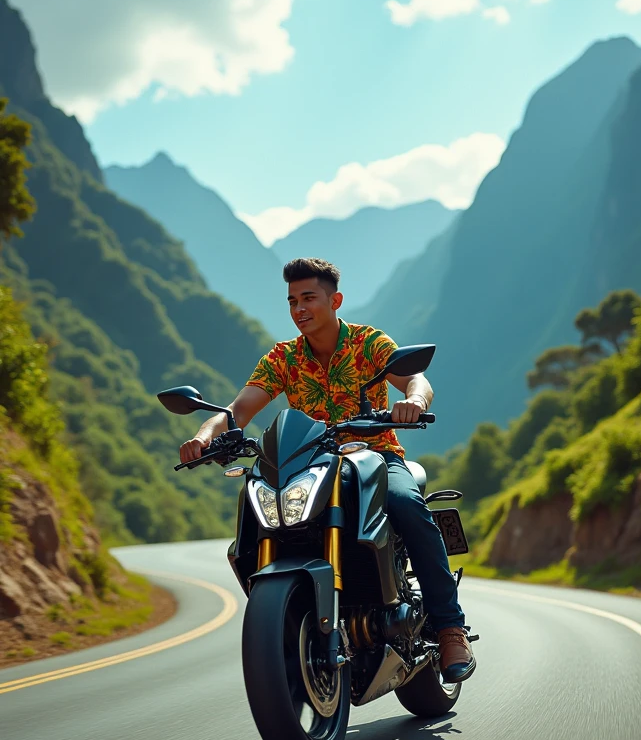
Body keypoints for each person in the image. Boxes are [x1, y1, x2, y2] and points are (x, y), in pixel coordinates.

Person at [180, 257, 475, 683]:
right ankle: (287, 626)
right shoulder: (283, 357)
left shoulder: (367, 342)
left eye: (308, 298)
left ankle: (450, 628)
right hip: (311, 466)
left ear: (334, 300)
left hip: (375, 458)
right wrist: (205, 436)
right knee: (256, 510)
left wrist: (414, 400)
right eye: (292, 301)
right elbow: (236, 410)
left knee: (406, 505)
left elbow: (417, 380)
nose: (299, 309)